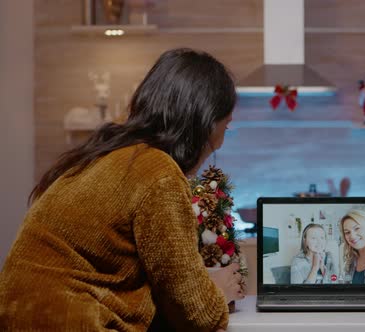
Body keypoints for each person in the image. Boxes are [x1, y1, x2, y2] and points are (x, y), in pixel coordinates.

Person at [0, 48, 244, 332]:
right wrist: (221, 289)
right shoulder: (157, 173)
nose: (221, 143)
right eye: (226, 128)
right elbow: (199, 315)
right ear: (204, 123)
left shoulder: (108, 155)